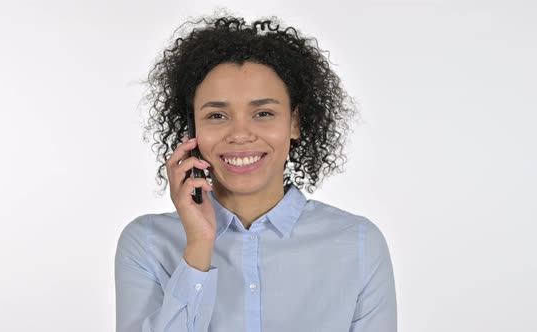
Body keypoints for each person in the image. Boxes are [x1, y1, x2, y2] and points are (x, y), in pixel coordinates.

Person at [115, 14, 397, 332]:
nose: (240, 134)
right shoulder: (148, 243)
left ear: (294, 123)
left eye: (263, 113)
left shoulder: (359, 244)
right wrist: (198, 247)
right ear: (192, 129)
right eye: (217, 115)